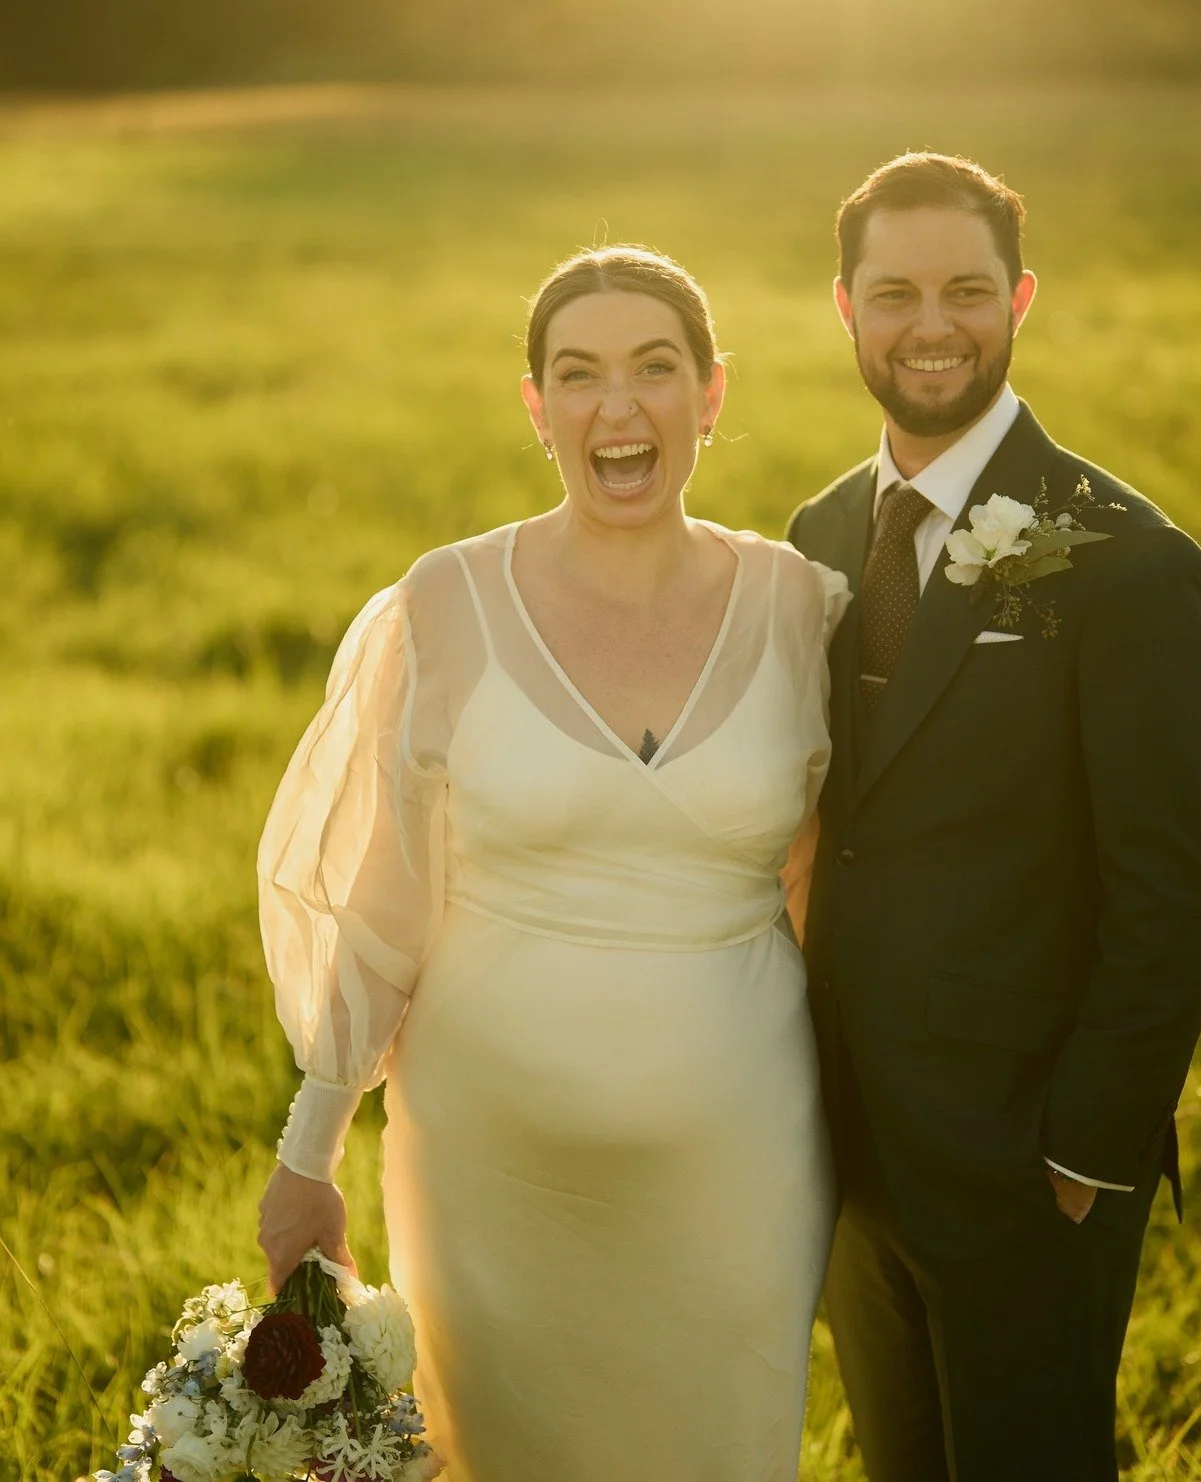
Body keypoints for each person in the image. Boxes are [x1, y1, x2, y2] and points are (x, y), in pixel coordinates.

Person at [255, 245, 850, 1482]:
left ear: (712, 393)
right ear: (537, 407)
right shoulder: (448, 603)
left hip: (735, 1162)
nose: (617, 407)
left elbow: (831, 886)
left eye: (655, 369)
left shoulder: (802, 607)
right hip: (489, 1172)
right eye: (578, 376)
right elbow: (380, 904)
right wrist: (307, 1153)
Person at [787, 152, 1201, 1482]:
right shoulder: (816, 533)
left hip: (1028, 1165)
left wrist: (1086, 1153)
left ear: (1020, 299)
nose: (931, 324)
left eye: (965, 290)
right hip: (854, 1159)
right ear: (845, 308)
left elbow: (1175, 891)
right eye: (895, 292)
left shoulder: (1124, 559)